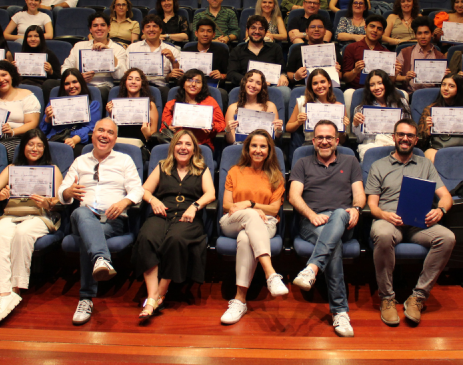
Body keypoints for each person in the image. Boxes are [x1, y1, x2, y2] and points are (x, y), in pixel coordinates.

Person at [366, 119, 455, 326]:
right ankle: (387, 298)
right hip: (389, 220)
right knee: (384, 234)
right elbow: (372, 206)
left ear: (415, 140)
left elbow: (446, 197)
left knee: (447, 237)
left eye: (410, 136)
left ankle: (418, 297)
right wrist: (384, 215)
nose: (405, 139)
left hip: (418, 223)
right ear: (394, 137)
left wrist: (440, 210)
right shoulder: (379, 166)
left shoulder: (425, 164)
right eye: (401, 134)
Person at [58, 118, 144, 325]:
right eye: (100, 131)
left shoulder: (124, 160)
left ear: (115, 138)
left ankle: (86, 297)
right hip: (83, 217)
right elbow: (62, 192)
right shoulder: (80, 161)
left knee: (91, 235)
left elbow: (137, 190)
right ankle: (101, 260)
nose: (105, 135)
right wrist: (69, 191)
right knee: (81, 214)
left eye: (110, 132)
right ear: (92, 134)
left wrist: (124, 202)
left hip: (112, 221)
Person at [288, 120, 365, 337]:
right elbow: (293, 196)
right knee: (334, 245)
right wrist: (311, 215)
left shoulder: (350, 161)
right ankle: (340, 312)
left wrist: (357, 209)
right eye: (320, 137)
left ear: (336, 141)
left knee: (341, 213)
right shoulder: (302, 163)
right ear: (313, 141)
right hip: (312, 223)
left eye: (328, 137)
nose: (324, 141)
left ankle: (311, 268)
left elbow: (359, 194)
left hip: (344, 221)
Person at [132, 130, 215, 321]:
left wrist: (195, 206)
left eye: (188, 144)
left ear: (194, 149)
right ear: (173, 148)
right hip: (162, 212)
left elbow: (210, 193)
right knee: (147, 237)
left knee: (175, 239)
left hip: (187, 216)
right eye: (179, 144)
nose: (183, 148)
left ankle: (159, 293)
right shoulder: (162, 167)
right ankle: (153, 294)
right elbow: (144, 190)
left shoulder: (201, 169)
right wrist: (153, 200)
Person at [0, 129, 64, 324]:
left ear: (44, 148)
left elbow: (60, 200)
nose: (34, 149)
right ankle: (4, 294)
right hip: (11, 214)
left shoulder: (52, 170)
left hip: (39, 216)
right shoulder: (12, 168)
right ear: (23, 147)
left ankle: (15, 289)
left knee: (23, 233)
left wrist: (48, 202)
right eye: (30, 144)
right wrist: (0, 196)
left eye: (39, 145)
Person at [218, 130, 288, 324]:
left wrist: (251, 204)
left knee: (245, 238)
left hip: (266, 222)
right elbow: (226, 205)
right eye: (254, 146)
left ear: (269, 150)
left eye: (263, 146)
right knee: (249, 217)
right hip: (232, 220)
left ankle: (239, 300)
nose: (258, 150)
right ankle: (271, 274)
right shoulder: (235, 171)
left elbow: (274, 209)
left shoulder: (275, 176)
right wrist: (249, 210)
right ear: (247, 149)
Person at [56, 11, 126, 105]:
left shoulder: (118, 49)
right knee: (50, 85)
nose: (99, 28)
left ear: (109, 28)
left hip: (103, 87)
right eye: (95, 25)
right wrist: (78, 77)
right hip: (79, 85)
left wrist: (109, 54)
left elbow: (121, 76)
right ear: (90, 29)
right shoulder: (79, 46)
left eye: (102, 25)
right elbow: (65, 69)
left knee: (96, 92)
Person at [0, 60, 42, 161]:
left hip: (16, 138)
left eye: (4, 75)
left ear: (11, 75)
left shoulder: (26, 95)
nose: (1, 80)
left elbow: (32, 123)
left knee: (1, 151)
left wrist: (12, 131)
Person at [342, 14, 400, 115]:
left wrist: (394, 73)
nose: (375, 30)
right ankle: (349, 127)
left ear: (382, 32)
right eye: (372, 26)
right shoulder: (351, 48)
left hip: (380, 90)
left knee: (401, 93)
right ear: (365, 27)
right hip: (357, 88)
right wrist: (355, 71)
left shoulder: (386, 53)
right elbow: (346, 78)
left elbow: (390, 82)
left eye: (379, 28)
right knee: (348, 93)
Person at [227, 15, 291, 105]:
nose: (257, 32)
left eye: (261, 29)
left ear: (265, 32)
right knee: (234, 92)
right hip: (247, 87)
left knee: (285, 91)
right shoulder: (238, 50)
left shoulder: (275, 48)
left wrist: (283, 76)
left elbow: (282, 70)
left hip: (271, 86)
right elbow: (231, 73)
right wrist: (248, 81)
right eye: (253, 28)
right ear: (247, 30)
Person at [39, 69, 102, 157]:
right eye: (67, 84)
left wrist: (75, 139)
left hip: (78, 141)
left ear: (81, 83)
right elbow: (42, 131)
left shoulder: (92, 105)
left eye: (74, 82)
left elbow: (91, 128)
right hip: (54, 138)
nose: (71, 86)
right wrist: (47, 119)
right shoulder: (53, 104)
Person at [160, 70, 226, 151]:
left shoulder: (210, 102)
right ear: (183, 84)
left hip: (201, 144)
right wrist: (171, 128)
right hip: (177, 144)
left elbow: (222, 125)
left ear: (202, 86)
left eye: (198, 82)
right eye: (189, 80)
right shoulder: (171, 104)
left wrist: (212, 127)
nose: (193, 84)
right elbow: (163, 128)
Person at [417, 75, 463, 163]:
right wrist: (427, 131)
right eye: (443, 85)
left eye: (451, 86)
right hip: (437, 148)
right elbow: (420, 144)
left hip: (461, 149)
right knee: (433, 157)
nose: (446, 88)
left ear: (458, 89)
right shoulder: (430, 110)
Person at [352, 70, 411, 159]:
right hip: (371, 146)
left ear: (387, 84)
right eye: (372, 85)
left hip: (395, 144)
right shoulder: (361, 109)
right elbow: (359, 139)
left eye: (380, 83)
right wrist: (356, 124)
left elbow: (408, 128)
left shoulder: (401, 103)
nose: (376, 87)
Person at [127, 14, 181, 106]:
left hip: (160, 86)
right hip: (137, 85)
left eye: (155, 26)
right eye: (148, 26)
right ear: (143, 31)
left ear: (160, 30)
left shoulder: (172, 50)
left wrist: (173, 59)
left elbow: (178, 74)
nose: (151, 29)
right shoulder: (133, 48)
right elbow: (127, 71)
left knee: (166, 91)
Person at [286, 69, 350, 145]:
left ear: (329, 83)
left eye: (322, 82)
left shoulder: (339, 107)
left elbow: (342, 141)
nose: (319, 86)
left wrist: (342, 130)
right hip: (310, 144)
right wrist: (298, 122)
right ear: (311, 86)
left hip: (332, 145)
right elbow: (288, 128)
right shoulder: (303, 103)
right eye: (315, 83)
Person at [224, 70, 283, 145]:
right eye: (250, 81)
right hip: (241, 147)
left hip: (263, 147)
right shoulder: (233, 108)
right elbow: (231, 140)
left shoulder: (270, 106)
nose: (253, 85)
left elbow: (276, 136)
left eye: (258, 83)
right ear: (244, 83)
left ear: (262, 87)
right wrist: (228, 130)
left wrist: (279, 129)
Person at [180, 17, 229, 107]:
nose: (205, 34)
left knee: (222, 93)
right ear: (196, 33)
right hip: (191, 85)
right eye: (202, 31)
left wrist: (221, 75)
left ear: (214, 34)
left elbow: (228, 73)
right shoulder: (187, 50)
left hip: (212, 86)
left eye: (209, 31)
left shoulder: (222, 51)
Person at [105, 68, 159, 148]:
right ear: (125, 83)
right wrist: (111, 113)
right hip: (119, 143)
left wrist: (147, 135)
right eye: (130, 79)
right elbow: (112, 130)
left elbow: (153, 135)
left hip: (141, 145)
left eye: (137, 80)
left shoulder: (150, 105)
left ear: (142, 84)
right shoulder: (117, 104)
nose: (133, 82)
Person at [285, 15, 343, 88]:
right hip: (303, 88)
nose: (316, 29)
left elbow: (341, 75)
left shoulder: (333, 49)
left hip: (329, 89)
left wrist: (337, 72)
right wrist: (296, 76)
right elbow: (289, 73)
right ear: (307, 31)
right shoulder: (297, 49)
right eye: (312, 27)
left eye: (320, 27)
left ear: (325, 31)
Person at [396, 16, 446, 93]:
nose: (423, 37)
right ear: (415, 35)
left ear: (432, 34)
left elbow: (444, 82)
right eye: (419, 33)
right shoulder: (405, 52)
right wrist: (405, 77)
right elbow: (394, 77)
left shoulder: (440, 56)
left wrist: (445, 76)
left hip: (433, 94)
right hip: (410, 94)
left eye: (426, 33)